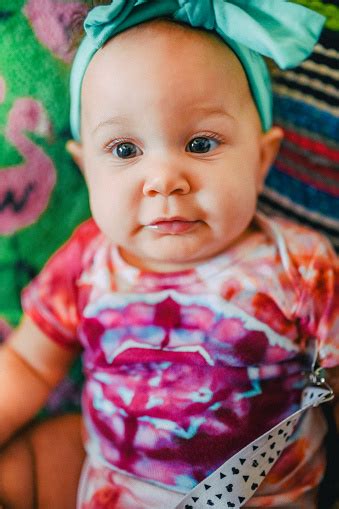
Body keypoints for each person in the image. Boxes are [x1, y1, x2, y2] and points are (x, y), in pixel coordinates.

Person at [0, 1, 338, 508]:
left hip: (258, 496)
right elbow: (27, 364)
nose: (163, 181)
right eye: (124, 150)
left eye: (201, 143)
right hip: (107, 487)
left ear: (262, 159)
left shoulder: (300, 265)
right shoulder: (86, 261)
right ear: (85, 170)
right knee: (30, 460)